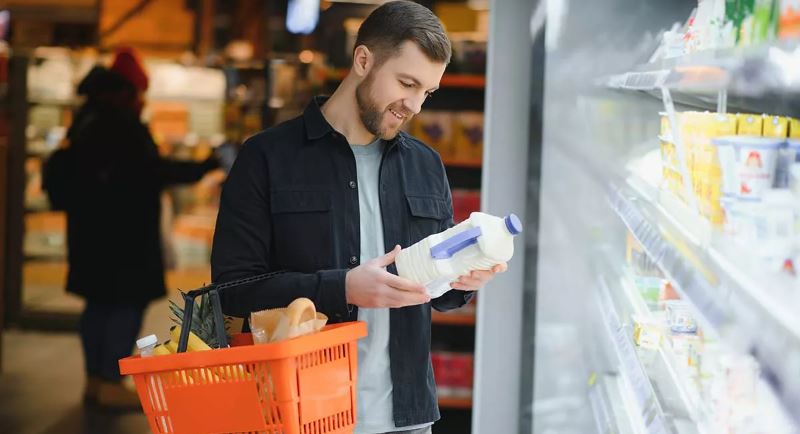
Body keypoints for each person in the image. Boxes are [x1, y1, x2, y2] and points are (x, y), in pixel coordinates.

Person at [210, 2, 505, 433]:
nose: (415, 106)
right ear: (363, 60)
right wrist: (342, 287)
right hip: (300, 413)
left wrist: (460, 280)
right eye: (406, 83)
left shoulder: (426, 165)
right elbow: (230, 291)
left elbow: (436, 294)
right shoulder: (267, 157)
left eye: (427, 92)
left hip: (406, 418)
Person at [44, 47, 220, 409]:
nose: (141, 100)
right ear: (125, 91)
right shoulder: (119, 124)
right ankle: (110, 380)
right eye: (139, 93)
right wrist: (203, 167)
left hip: (93, 234)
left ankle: (95, 379)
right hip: (123, 239)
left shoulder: (87, 120)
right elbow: (152, 171)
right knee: (124, 305)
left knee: (98, 305)